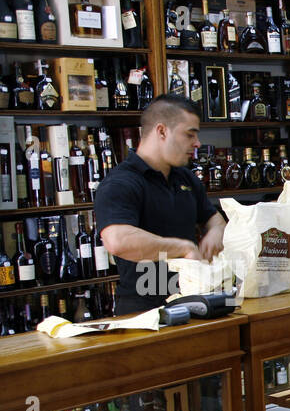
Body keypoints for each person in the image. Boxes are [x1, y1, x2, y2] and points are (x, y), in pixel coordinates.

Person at [95, 95, 225, 316]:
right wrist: (183, 248)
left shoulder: (185, 178)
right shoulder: (121, 182)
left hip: (192, 302)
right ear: (162, 131)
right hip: (145, 313)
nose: (197, 143)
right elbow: (118, 240)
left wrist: (215, 231)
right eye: (189, 134)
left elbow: (213, 217)